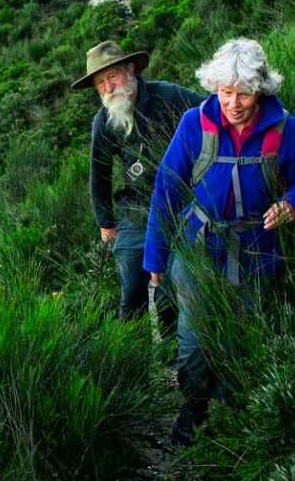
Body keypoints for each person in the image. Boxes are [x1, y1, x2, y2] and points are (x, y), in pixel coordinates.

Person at [143, 38, 295, 445]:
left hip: (257, 249)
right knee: (192, 339)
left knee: (238, 334)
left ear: (260, 90)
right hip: (197, 246)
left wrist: (291, 203)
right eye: (225, 92)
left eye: (243, 93)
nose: (234, 103)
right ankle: (192, 409)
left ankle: (225, 413)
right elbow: (166, 190)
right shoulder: (195, 123)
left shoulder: (287, 130)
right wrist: (155, 255)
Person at [73, 40, 203, 327]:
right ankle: (130, 353)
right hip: (137, 209)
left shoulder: (168, 96)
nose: (108, 88)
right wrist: (106, 222)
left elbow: (209, 114)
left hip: (180, 202)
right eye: (100, 83)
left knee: (172, 282)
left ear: (130, 70)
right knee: (132, 280)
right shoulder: (104, 121)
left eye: (113, 76)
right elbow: (100, 173)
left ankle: (172, 351)